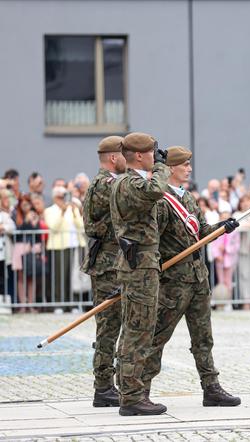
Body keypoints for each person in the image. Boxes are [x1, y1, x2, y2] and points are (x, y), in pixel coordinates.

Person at [142, 146, 241, 407]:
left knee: (203, 338)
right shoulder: (161, 201)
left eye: (189, 164)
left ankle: (211, 388)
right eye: (184, 165)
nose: (189, 169)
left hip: (198, 278)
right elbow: (153, 240)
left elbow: (201, 232)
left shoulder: (187, 198)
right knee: (158, 337)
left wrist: (221, 228)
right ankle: (139, 390)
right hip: (173, 282)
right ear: (171, 168)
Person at [110, 132, 171, 416]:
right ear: (138, 155)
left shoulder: (127, 181)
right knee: (139, 331)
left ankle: (130, 392)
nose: (154, 159)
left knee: (135, 330)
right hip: (140, 268)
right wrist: (161, 168)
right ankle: (132, 397)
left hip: (140, 264)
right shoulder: (130, 183)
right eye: (151, 154)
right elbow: (155, 191)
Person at [80, 136, 126, 407]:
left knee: (113, 327)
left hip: (113, 263)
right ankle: (103, 387)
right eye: (124, 155)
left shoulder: (106, 183)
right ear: (113, 157)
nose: (127, 159)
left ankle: (109, 385)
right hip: (107, 266)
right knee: (108, 329)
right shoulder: (106, 185)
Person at [44, 185, 85, 303]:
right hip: (59, 247)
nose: (62, 199)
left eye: (64, 196)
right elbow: (54, 227)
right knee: (60, 277)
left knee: (74, 277)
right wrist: (62, 211)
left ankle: (73, 303)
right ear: (54, 198)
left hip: (76, 246)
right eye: (60, 197)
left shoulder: (72, 209)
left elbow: (81, 226)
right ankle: (59, 303)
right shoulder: (50, 210)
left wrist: (74, 211)